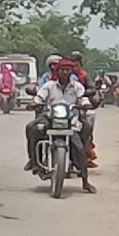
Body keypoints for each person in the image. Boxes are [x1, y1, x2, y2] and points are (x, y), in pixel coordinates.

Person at [25, 65, 95, 193]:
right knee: (31, 128)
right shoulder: (49, 86)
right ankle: (34, 161)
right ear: (58, 72)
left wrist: (86, 104)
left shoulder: (77, 87)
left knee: (80, 146)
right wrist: (34, 103)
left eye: (67, 69)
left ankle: (85, 180)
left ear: (70, 71)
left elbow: (83, 98)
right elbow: (39, 97)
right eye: (62, 69)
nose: (64, 72)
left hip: (71, 120)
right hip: (50, 117)